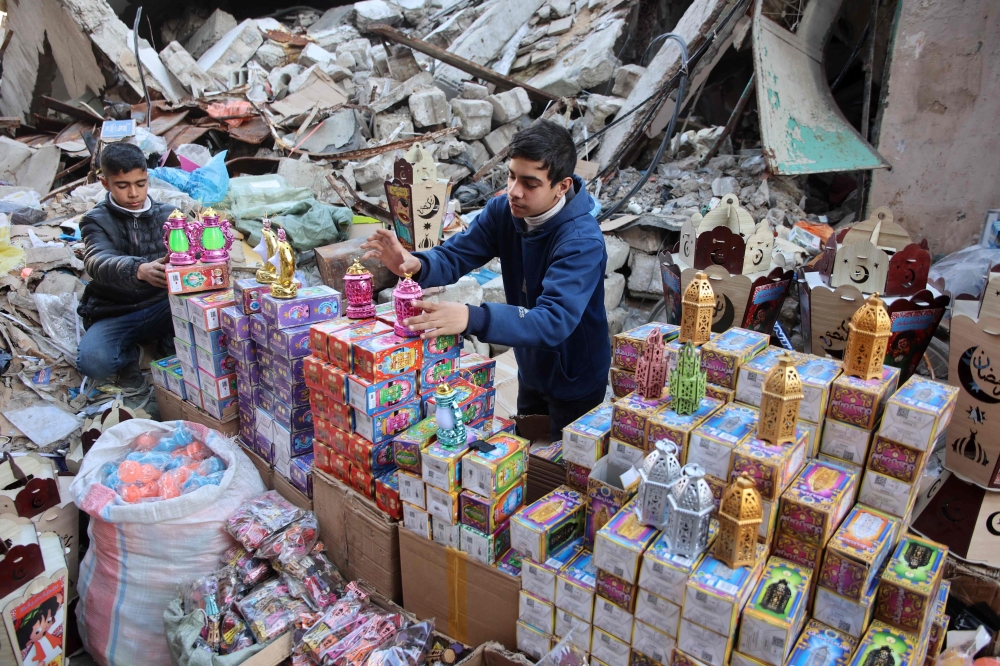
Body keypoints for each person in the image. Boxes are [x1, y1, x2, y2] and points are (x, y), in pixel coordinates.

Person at [362, 120, 610, 441]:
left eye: (530, 183)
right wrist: (416, 264)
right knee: (526, 450)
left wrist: (471, 316)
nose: (514, 191)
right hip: (531, 364)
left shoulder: (581, 241)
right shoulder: (503, 212)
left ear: (561, 186)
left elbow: (553, 320)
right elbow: (456, 255)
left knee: (562, 470)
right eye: (511, 175)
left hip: (575, 376)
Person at [76, 142, 175, 390]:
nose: (133, 193)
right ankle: (132, 356)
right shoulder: (94, 221)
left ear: (147, 179)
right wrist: (139, 269)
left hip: (163, 306)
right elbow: (96, 261)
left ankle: (166, 345)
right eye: (122, 185)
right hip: (116, 311)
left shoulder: (169, 215)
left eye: (140, 184)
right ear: (105, 183)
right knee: (93, 362)